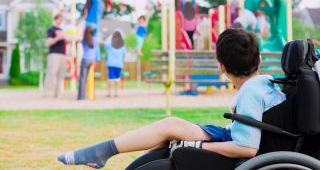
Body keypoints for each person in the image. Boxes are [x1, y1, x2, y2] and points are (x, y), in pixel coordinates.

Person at [57, 29, 286, 169]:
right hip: (229, 134)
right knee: (170, 130)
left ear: (222, 66)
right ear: (260, 57)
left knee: (170, 127)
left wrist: (202, 147)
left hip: (233, 145)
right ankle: (105, 154)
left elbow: (247, 149)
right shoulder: (266, 83)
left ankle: (102, 152)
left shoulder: (251, 93)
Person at [44, 14, 67, 98]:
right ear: (56, 19)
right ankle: (46, 92)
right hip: (54, 54)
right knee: (51, 73)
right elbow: (49, 42)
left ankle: (58, 94)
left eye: (62, 19)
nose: (61, 21)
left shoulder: (63, 30)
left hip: (63, 54)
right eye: (60, 19)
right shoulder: (51, 30)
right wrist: (58, 38)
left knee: (61, 75)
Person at [77, 26, 101, 100]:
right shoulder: (95, 39)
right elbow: (97, 51)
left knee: (82, 78)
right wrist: (97, 60)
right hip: (92, 60)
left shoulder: (84, 40)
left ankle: (81, 96)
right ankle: (90, 94)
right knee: (89, 78)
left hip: (85, 60)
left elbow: (78, 41)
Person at [104, 31, 126, 97]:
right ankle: (116, 93)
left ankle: (109, 93)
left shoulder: (110, 44)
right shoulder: (123, 46)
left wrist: (111, 37)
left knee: (110, 79)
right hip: (119, 64)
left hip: (111, 63)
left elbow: (105, 43)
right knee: (117, 79)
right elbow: (124, 56)